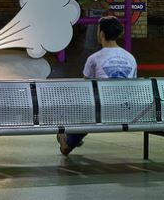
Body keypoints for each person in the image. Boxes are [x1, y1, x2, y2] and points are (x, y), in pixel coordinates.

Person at [57, 16, 137, 156]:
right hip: (127, 110)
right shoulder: (130, 58)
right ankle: (72, 136)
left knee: (86, 106)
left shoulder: (94, 58)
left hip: (103, 110)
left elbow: (86, 86)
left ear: (101, 33)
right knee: (92, 109)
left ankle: (69, 140)